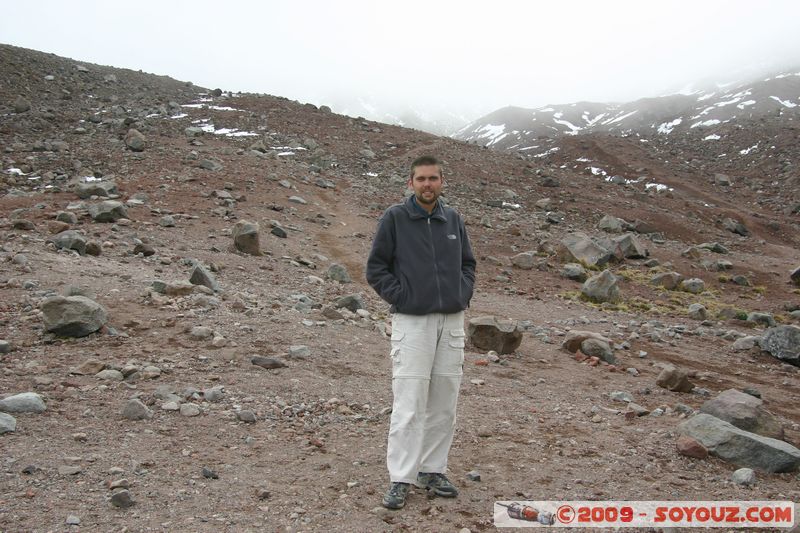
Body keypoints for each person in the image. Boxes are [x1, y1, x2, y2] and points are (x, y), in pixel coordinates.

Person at [366, 155, 476, 510]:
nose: (427, 184)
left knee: (444, 400)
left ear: (442, 181)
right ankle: (401, 477)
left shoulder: (453, 219)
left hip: (452, 321)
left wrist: (462, 292)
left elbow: (468, 264)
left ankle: (432, 470)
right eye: (421, 179)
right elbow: (376, 268)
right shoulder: (395, 218)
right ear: (410, 183)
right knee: (410, 402)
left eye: (433, 179)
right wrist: (403, 296)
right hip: (412, 322)